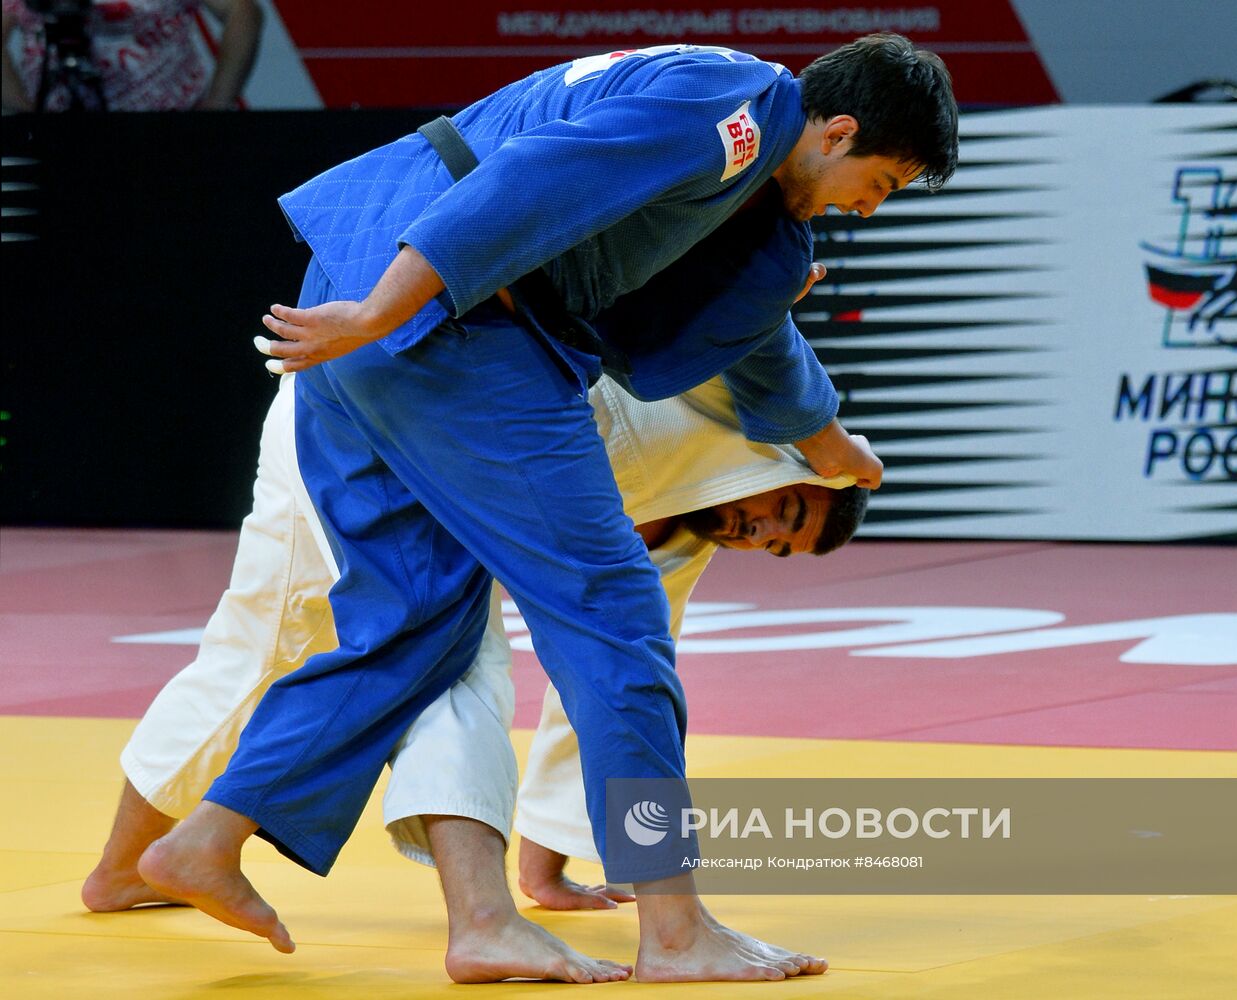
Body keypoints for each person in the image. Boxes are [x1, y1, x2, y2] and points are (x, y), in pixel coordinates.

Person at [139, 33, 957, 983]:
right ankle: (678, 931)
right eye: (883, 182)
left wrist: (829, 447)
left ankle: (208, 836)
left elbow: (758, 330)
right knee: (615, 616)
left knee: (415, 621)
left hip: (373, 279)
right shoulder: (733, 109)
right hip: (447, 315)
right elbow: (537, 175)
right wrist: (384, 311)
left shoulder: (750, 176)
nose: (868, 207)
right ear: (839, 129)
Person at [84, 365, 867, 981]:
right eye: (787, 512)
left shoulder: (679, 544)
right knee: (308, 647)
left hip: (425, 453)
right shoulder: (719, 406)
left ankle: (132, 869)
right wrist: (793, 326)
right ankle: (478, 922)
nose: (757, 531)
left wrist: (549, 850)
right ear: (794, 460)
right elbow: (732, 317)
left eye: (774, 548)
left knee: (422, 656)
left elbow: (614, 690)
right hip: (363, 422)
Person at [1, 0, 262, 112]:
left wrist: (217, 106)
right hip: (58, 132)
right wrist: (22, 108)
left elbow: (243, 12)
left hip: (171, 131)